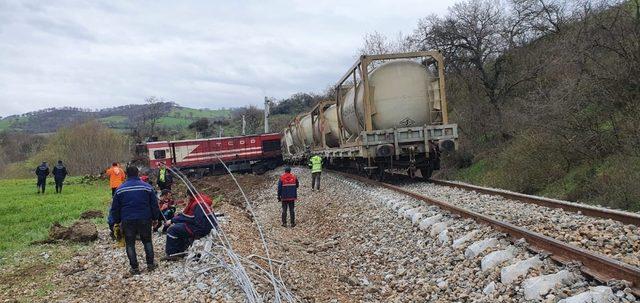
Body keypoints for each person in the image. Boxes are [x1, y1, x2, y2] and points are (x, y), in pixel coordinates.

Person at [109, 166, 161, 275]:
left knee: (130, 244)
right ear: (138, 173)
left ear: (126, 174)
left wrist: (117, 221)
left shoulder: (120, 189)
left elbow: (115, 208)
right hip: (145, 218)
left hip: (127, 220)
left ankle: (135, 268)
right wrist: (156, 218)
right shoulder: (147, 187)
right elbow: (154, 204)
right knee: (147, 241)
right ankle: (150, 265)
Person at [163, 190, 216, 259]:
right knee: (180, 226)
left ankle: (172, 254)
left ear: (189, 196)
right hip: (209, 225)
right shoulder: (202, 199)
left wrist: (172, 220)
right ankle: (182, 247)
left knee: (172, 230)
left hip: (201, 228)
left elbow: (191, 218)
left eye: (187, 196)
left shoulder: (197, 204)